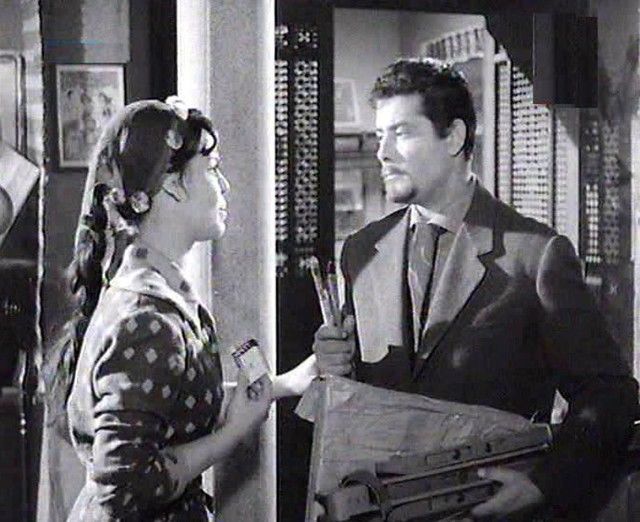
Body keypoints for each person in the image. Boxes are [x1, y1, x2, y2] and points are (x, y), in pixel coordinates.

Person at [313, 58, 638, 519]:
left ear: (454, 137)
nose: (381, 152)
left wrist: (542, 485)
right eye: (380, 134)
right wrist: (334, 363)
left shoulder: (535, 255)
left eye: (401, 133)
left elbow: (610, 395)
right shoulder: (361, 251)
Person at [47, 98, 316, 520]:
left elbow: (169, 403)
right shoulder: (146, 319)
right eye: (212, 169)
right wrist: (232, 434)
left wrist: (285, 384)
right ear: (172, 185)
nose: (224, 186)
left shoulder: (157, 289)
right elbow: (126, 490)